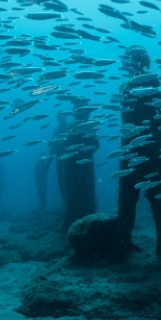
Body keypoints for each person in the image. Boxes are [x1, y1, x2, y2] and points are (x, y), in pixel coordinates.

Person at [117, 45, 161, 257]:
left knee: (135, 199)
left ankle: (156, 248)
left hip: (143, 148)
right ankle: (152, 247)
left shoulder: (147, 84)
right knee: (145, 199)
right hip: (142, 148)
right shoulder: (128, 86)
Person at [59, 99, 99, 234]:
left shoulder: (87, 125)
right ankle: (79, 224)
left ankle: (82, 223)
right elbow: (68, 144)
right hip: (77, 166)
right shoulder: (75, 125)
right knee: (80, 193)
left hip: (80, 166)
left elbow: (94, 144)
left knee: (80, 193)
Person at [35, 112, 70, 211]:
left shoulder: (70, 128)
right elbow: (53, 148)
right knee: (61, 183)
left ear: (65, 117)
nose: (60, 119)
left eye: (62, 116)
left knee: (69, 183)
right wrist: (48, 164)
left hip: (69, 161)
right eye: (59, 117)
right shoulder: (56, 131)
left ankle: (68, 206)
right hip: (59, 161)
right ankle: (65, 206)